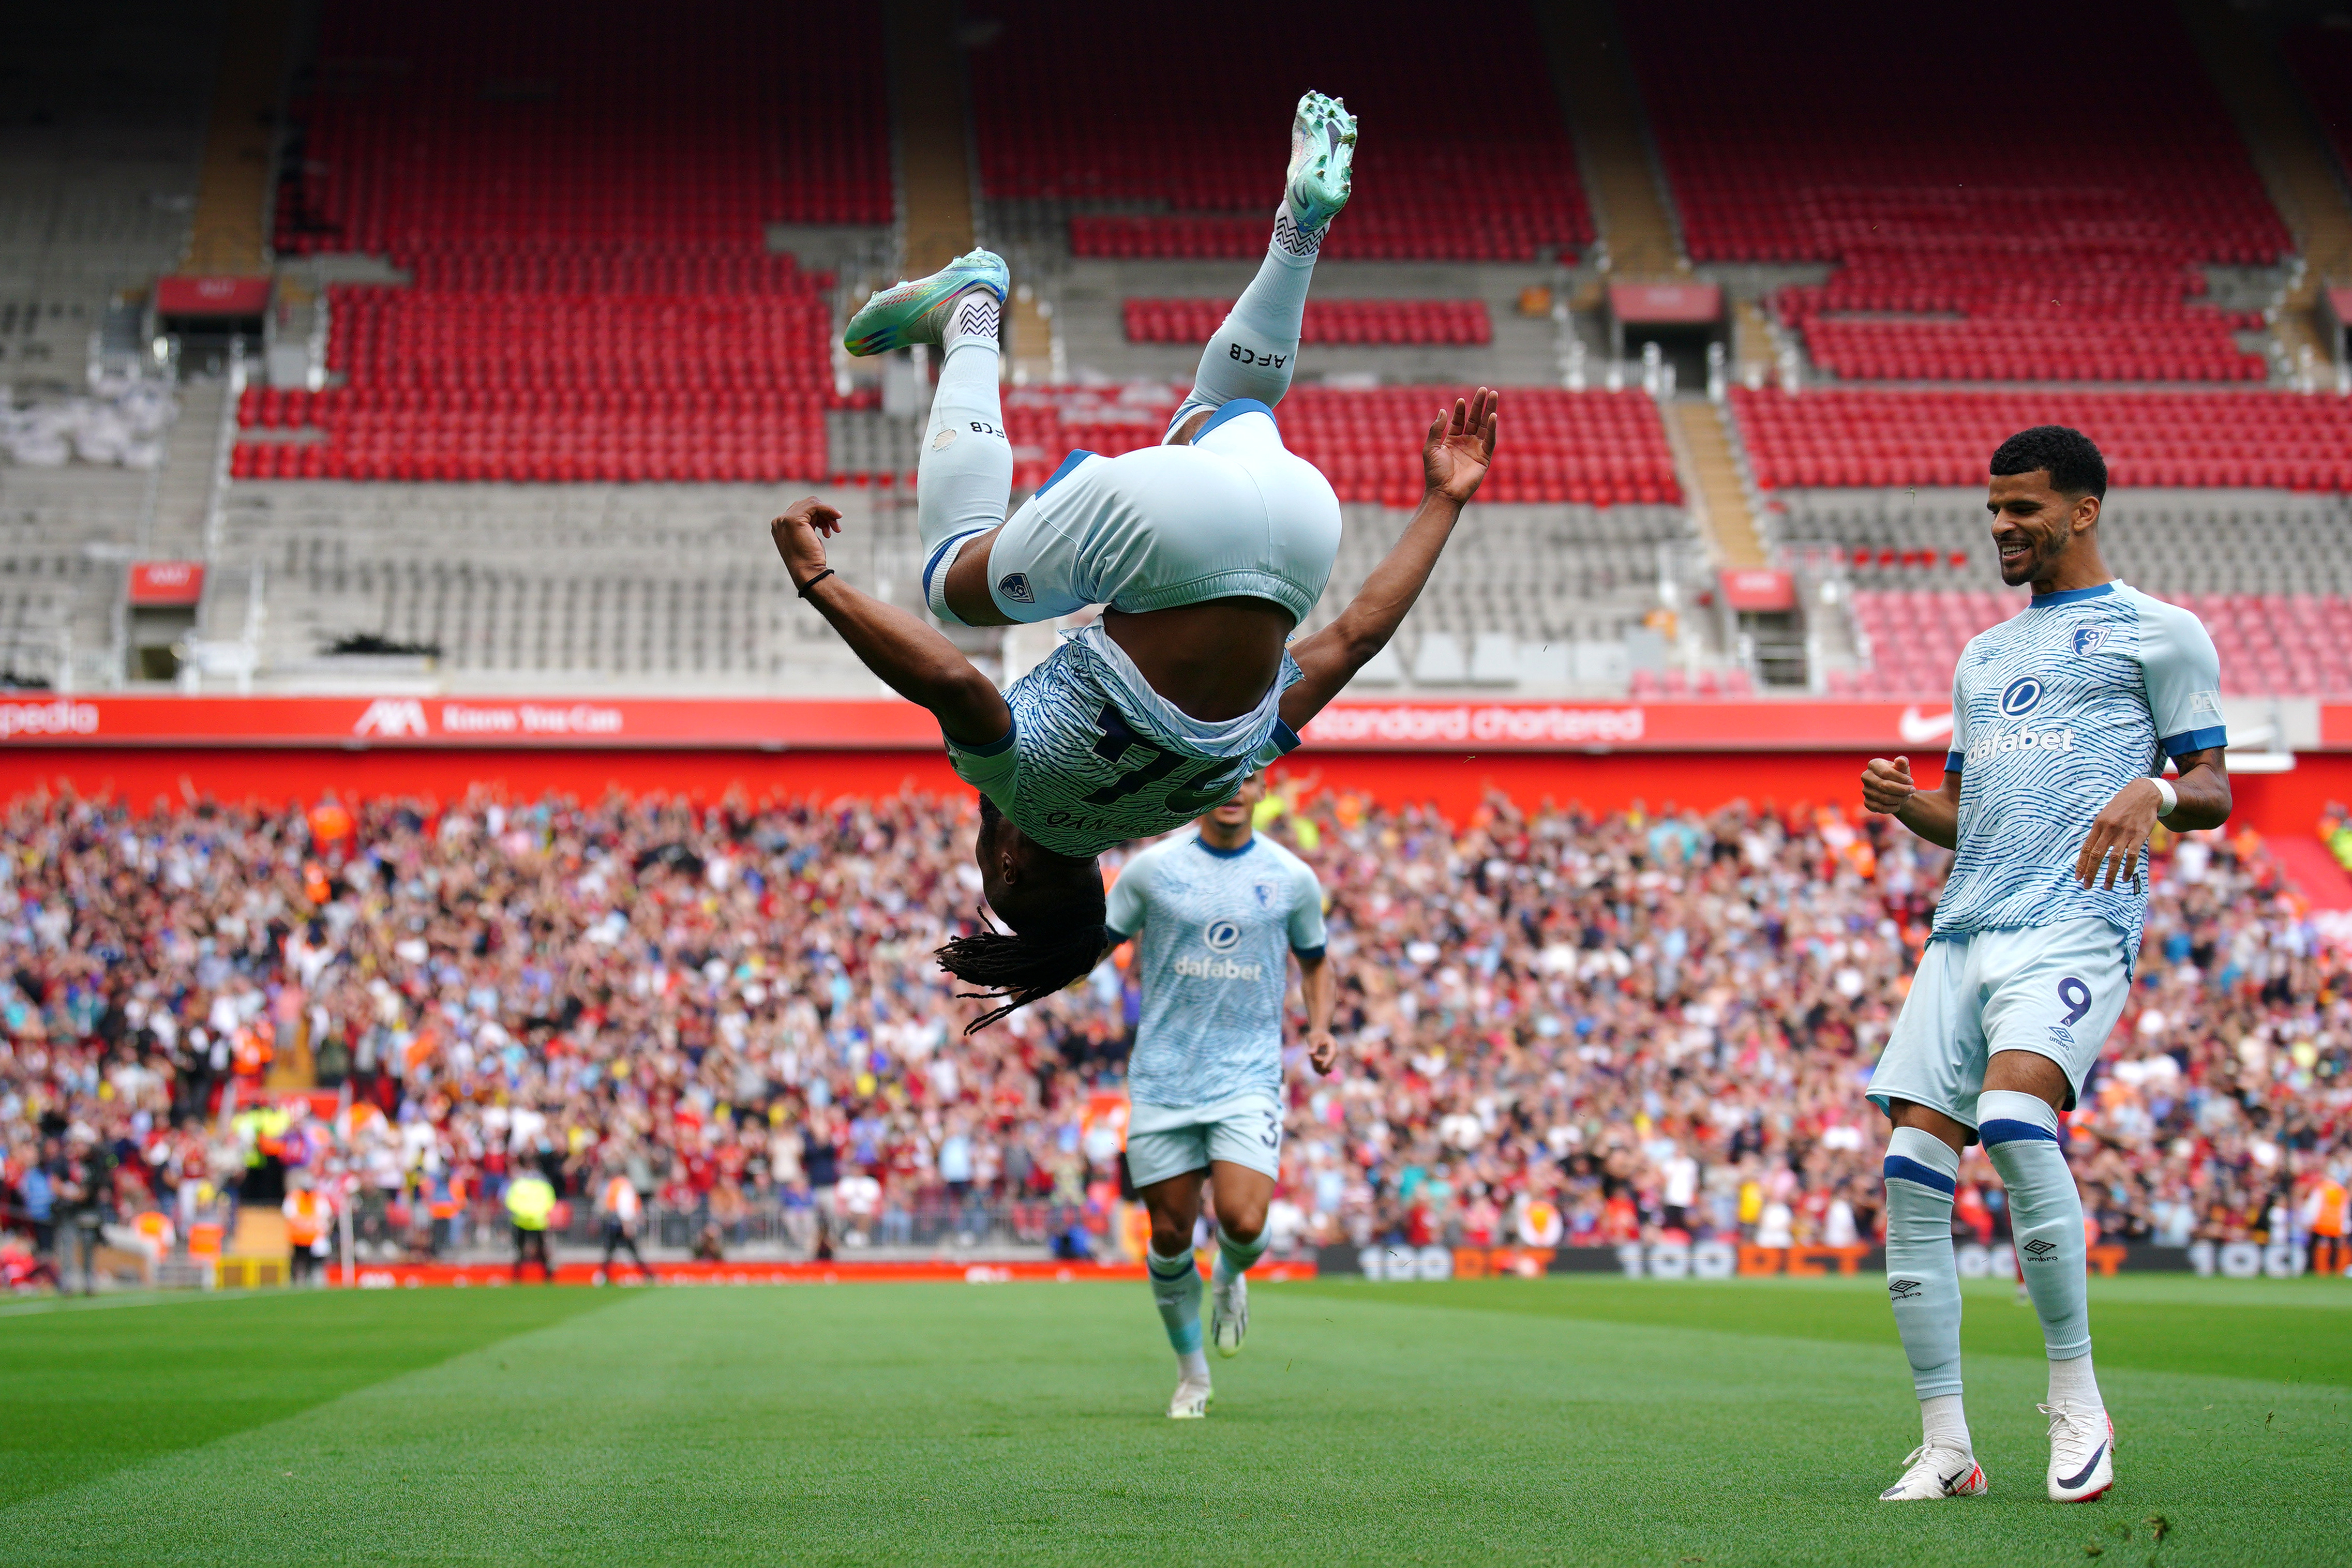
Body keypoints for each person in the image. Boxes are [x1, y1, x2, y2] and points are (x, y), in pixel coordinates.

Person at [772, 92, 1497, 1032]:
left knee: (1218, 405)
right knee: (952, 588)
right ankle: (970, 311)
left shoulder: (1201, 793)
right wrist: (818, 583)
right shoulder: (1019, 795)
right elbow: (950, 677)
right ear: (1010, 869)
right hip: (1168, 536)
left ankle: (1299, 230)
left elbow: (1353, 639)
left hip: (1303, 531)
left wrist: (1442, 498)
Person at [1860, 425, 2230, 1505]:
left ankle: (2074, 1398)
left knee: (2018, 1122)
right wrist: (1904, 807)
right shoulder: (1981, 653)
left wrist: (2152, 792)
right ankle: (1944, 1445)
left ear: (2082, 509)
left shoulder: (2156, 634)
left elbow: (2209, 787)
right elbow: (1966, 816)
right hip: (1963, 931)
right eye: (1991, 509)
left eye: (2020, 508)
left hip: (2072, 925)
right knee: (1908, 1172)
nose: (2000, 528)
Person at [1102, 770, 1337, 1418]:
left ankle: (1231, 1276)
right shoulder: (1152, 870)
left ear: (1263, 788)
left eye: (1248, 777)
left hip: (1246, 1077)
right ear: (1199, 787)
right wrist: (1049, 969)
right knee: (1172, 1235)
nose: (1234, 789)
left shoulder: (1291, 878)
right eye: (1221, 777)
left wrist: (1318, 1026)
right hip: (1163, 1078)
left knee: (1243, 1221)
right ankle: (1191, 1377)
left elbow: (1315, 959)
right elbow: (1100, 938)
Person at [596, 1162, 653, 1284]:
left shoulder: (615, 1184)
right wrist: (628, 1225)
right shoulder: (624, 1185)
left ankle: (603, 1275)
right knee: (630, 1251)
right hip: (621, 1224)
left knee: (612, 1251)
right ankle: (648, 1274)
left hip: (615, 1223)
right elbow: (625, 1208)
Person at [505, 1159, 558, 1284]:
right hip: (527, 1221)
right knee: (521, 1251)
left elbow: (549, 1201)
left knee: (541, 1250)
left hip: (534, 1222)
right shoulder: (522, 1184)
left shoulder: (525, 1184)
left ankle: (546, 1275)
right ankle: (520, 1276)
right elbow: (511, 1201)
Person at [282, 1172, 330, 1286]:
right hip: (299, 1238)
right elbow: (289, 1214)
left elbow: (325, 1214)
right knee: (299, 1260)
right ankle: (298, 1280)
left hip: (315, 1237)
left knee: (316, 1261)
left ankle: (316, 1280)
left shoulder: (318, 1197)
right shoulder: (295, 1197)